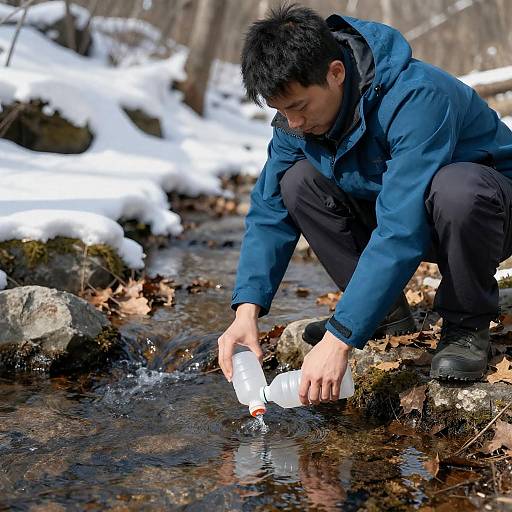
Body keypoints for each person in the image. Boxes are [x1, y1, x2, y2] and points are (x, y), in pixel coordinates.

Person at [217, 4, 512, 403]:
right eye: (282, 112)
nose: (294, 123)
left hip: (488, 212)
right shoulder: (295, 123)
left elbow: (401, 227)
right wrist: (246, 310)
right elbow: (270, 212)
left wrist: (341, 337)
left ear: (336, 73)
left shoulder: (417, 96)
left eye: (300, 107)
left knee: (457, 187)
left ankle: (466, 324)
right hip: (412, 208)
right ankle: (385, 316)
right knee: (298, 180)